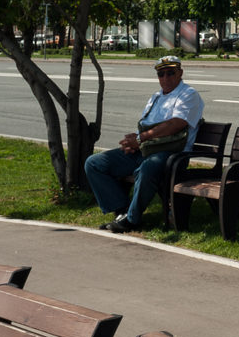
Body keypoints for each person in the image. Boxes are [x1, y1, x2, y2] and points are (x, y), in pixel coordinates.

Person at [85, 54, 205, 234]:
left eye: (170, 73)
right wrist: (133, 140)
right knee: (94, 163)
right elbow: (146, 126)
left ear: (180, 73)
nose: (165, 78)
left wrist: (140, 139)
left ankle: (132, 219)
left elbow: (176, 124)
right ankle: (122, 210)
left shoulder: (188, 94)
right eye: (161, 74)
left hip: (172, 154)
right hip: (146, 148)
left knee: (147, 168)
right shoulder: (156, 97)